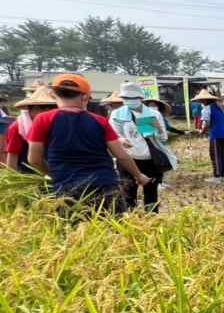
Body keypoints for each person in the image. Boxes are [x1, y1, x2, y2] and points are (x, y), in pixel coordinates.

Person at [27, 74, 151, 213]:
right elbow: (122, 155)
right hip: (104, 185)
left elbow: (34, 160)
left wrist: (54, 174)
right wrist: (139, 175)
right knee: (114, 229)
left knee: (74, 232)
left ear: (53, 94)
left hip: (67, 189)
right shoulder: (100, 120)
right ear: (85, 97)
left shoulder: (42, 120)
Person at [109, 82, 176, 212]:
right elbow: (113, 134)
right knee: (128, 193)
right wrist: (121, 139)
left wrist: (156, 131)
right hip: (128, 159)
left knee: (151, 194)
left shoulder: (153, 114)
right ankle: (130, 221)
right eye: (127, 98)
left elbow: (164, 138)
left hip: (150, 159)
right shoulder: (117, 114)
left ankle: (152, 221)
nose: (130, 101)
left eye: (134, 98)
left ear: (140, 98)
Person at [4, 85, 57, 172]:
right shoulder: (17, 127)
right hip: (28, 175)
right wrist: (13, 178)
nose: (47, 113)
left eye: (51, 109)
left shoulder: (57, 124)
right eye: (41, 109)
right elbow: (13, 155)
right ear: (31, 109)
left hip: (55, 173)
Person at [195, 88, 224, 183]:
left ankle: (217, 176)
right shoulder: (217, 106)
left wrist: (201, 131)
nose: (199, 101)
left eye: (200, 100)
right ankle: (223, 175)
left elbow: (207, 124)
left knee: (215, 155)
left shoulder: (206, 109)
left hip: (216, 134)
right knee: (222, 154)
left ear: (204, 100)